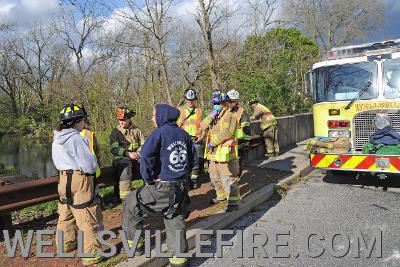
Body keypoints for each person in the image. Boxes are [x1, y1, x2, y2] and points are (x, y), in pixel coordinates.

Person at [122, 104, 196, 267]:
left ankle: (134, 246)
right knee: (174, 215)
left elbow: (146, 158)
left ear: (163, 116)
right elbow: (193, 159)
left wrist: (148, 180)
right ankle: (179, 261)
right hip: (181, 187)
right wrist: (183, 176)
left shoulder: (158, 134)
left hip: (162, 187)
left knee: (130, 203)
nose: (151, 118)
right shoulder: (183, 134)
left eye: (154, 115)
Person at [52, 103, 103, 265]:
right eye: (83, 120)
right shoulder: (76, 138)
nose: (84, 124)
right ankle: (91, 254)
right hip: (79, 179)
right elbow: (88, 164)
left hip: (63, 179)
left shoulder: (57, 138)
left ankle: (66, 244)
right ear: (77, 121)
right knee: (86, 215)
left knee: (65, 212)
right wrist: (94, 170)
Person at [201, 90, 240, 212]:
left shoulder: (229, 117)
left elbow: (226, 133)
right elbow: (202, 127)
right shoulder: (214, 116)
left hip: (225, 155)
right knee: (214, 177)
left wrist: (214, 142)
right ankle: (221, 196)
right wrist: (211, 115)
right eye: (214, 104)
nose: (215, 105)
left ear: (224, 103)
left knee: (227, 178)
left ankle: (233, 202)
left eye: (217, 103)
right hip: (214, 155)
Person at [109, 107, 145, 201]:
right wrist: (127, 154)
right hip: (121, 159)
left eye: (123, 120)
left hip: (136, 156)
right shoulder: (115, 132)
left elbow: (143, 144)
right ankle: (125, 199)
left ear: (129, 119)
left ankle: (149, 189)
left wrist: (139, 153)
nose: (121, 122)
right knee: (125, 166)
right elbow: (114, 148)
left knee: (146, 162)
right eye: (119, 120)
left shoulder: (137, 130)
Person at [177, 88, 205, 189]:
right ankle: (186, 180)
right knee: (184, 160)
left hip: (196, 139)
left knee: (196, 161)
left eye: (192, 100)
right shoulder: (179, 111)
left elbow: (205, 126)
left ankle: (194, 180)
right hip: (184, 140)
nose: (190, 102)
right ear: (185, 99)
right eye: (188, 100)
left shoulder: (199, 111)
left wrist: (201, 136)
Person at [226, 89, 251, 175]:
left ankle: (237, 176)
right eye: (229, 101)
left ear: (237, 101)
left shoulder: (242, 112)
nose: (231, 103)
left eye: (233, 101)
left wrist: (245, 142)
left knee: (238, 161)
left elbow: (246, 128)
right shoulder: (226, 111)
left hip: (240, 141)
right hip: (229, 140)